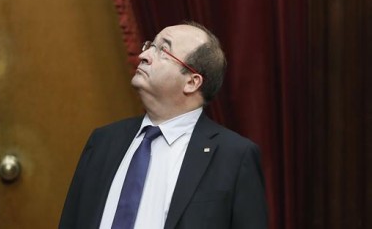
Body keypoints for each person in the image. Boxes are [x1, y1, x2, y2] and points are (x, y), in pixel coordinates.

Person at [59, 22, 267, 229]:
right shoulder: (104, 141)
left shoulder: (233, 156)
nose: (144, 55)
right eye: (150, 46)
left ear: (192, 82)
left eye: (163, 50)